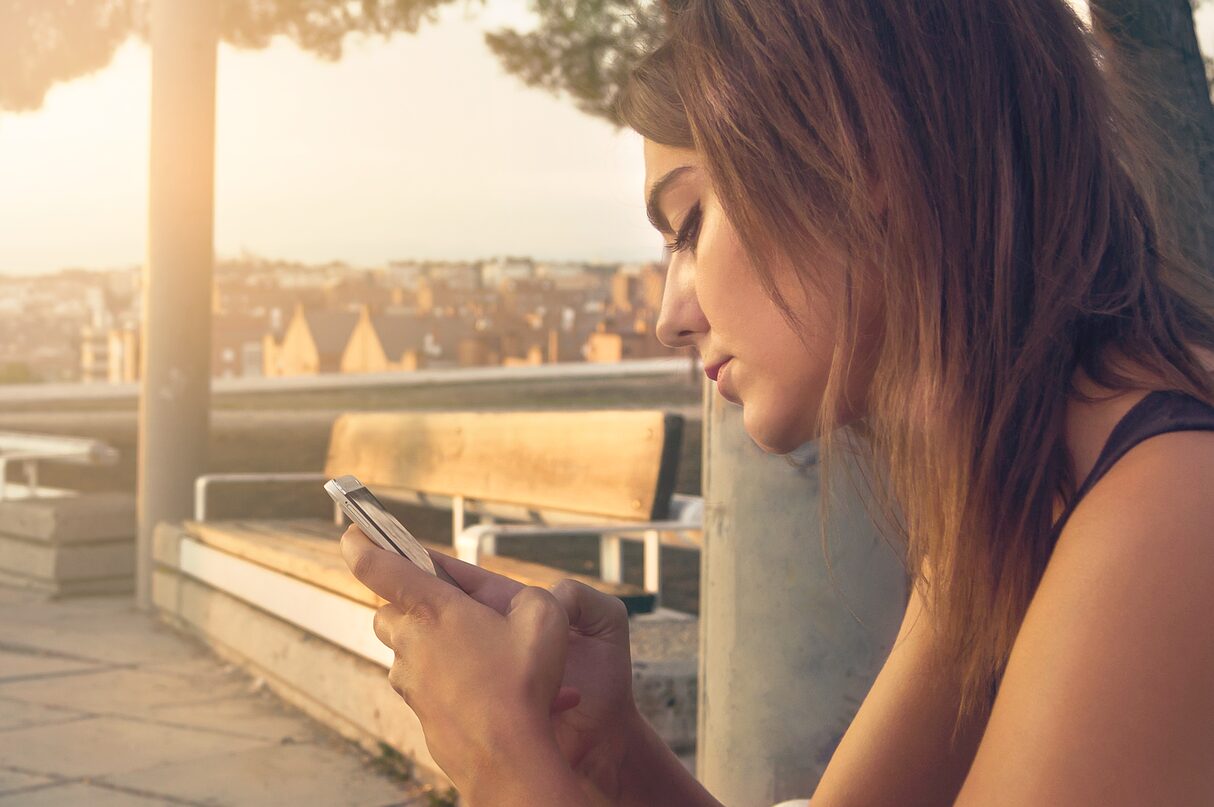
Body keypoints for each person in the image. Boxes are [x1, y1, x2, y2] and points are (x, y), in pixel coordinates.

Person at [340, 0, 1214, 804]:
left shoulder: (1173, 512)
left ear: (862, 160)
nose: (667, 318)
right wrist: (610, 750)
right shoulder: (1016, 488)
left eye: (688, 224)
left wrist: (504, 759)